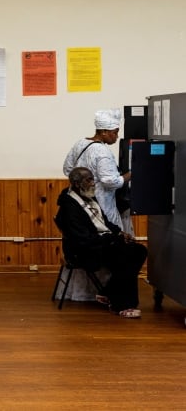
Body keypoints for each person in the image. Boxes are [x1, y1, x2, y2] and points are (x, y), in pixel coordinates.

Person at [55, 167, 147, 318]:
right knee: (126, 256)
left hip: (101, 242)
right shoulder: (69, 207)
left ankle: (109, 292)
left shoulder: (88, 196)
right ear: (77, 184)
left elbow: (104, 221)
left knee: (139, 251)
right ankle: (123, 305)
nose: (93, 183)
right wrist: (113, 239)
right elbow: (83, 240)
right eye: (89, 180)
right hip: (84, 250)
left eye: (92, 179)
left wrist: (119, 232)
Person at [63, 108, 132, 234]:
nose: (117, 137)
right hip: (102, 207)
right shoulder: (102, 151)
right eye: (115, 133)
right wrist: (131, 174)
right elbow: (110, 181)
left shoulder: (80, 143)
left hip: (80, 204)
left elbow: (67, 169)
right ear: (104, 131)